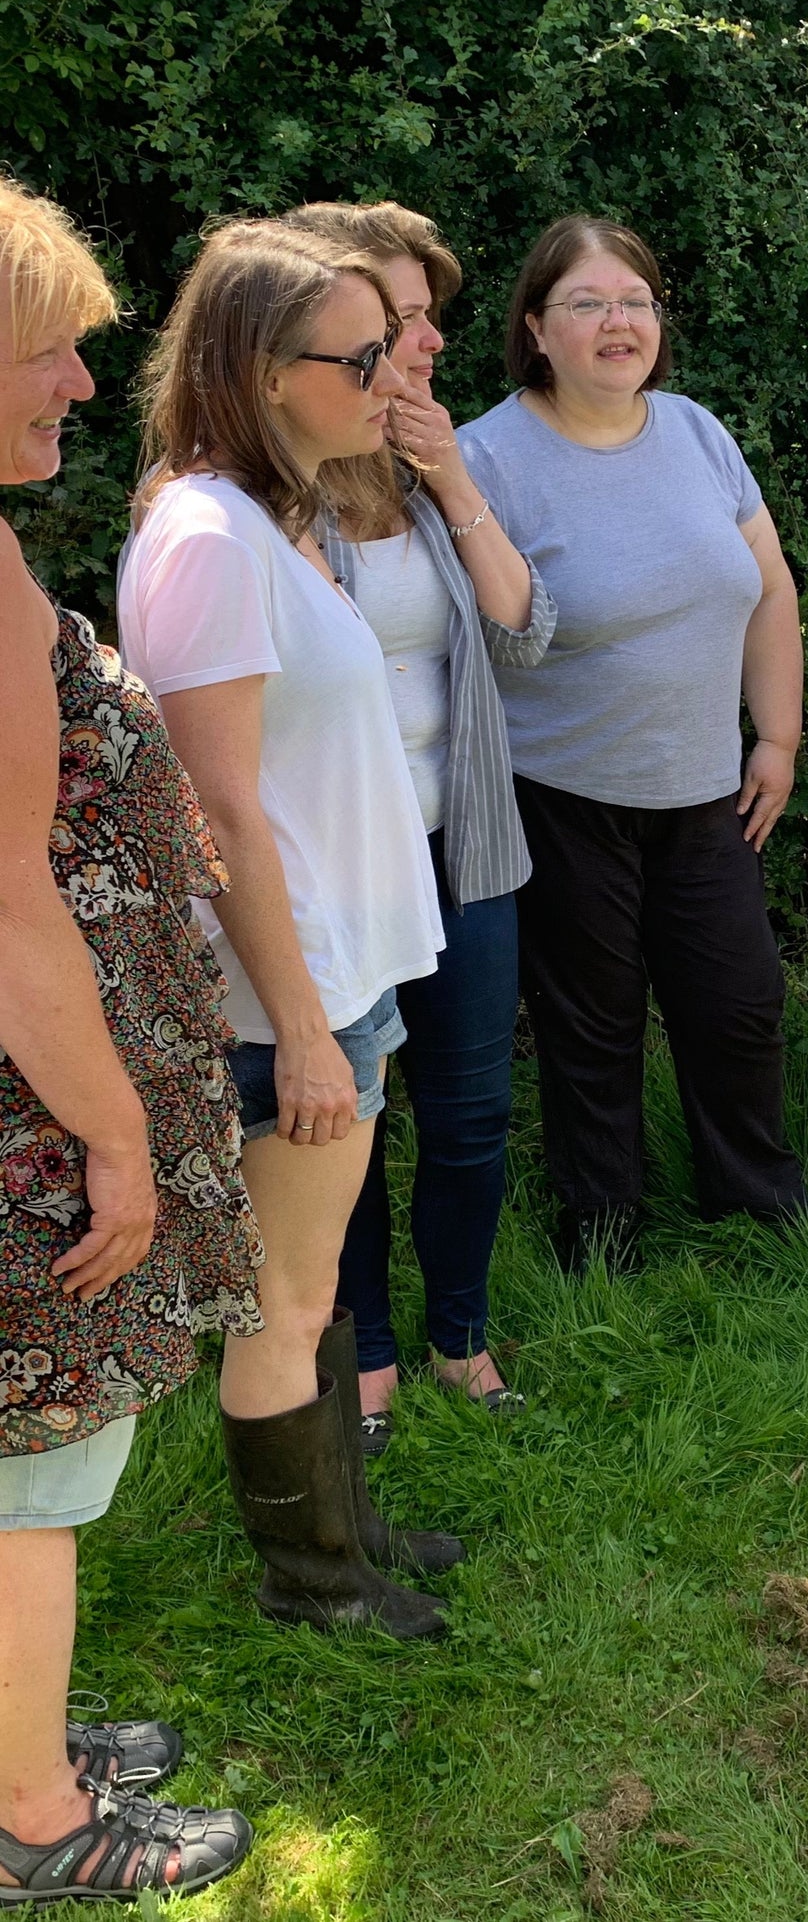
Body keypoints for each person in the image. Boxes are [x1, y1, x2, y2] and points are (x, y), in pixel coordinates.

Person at [117, 220, 461, 1637]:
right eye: (358, 355)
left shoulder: (276, 518)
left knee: (311, 1281)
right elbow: (223, 812)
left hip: (343, 969)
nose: (385, 377)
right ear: (264, 371)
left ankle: (348, 1526)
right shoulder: (204, 534)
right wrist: (306, 1025)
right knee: (286, 1287)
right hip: (285, 994)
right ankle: (313, 1582)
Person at [0, 175, 255, 1905]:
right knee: (33, 1480)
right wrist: (115, 1140)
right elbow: (8, 911)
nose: (85, 387)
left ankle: (19, 1742)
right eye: (48, 351)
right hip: (34, 1114)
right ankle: (38, 1823)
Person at [457, 215, 808, 1271]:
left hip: (705, 790)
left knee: (737, 1003)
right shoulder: (484, 455)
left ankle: (757, 1196)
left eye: (633, 300)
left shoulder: (692, 430)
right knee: (592, 1029)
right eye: (586, 303)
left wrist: (776, 735)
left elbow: (768, 588)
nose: (616, 322)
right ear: (536, 328)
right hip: (562, 791)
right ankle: (603, 1232)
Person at [280, 201, 553, 1455]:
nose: (431, 338)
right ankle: (367, 1353)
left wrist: (448, 477)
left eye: (428, 314)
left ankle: (460, 1333)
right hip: (339, 872)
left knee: (468, 1111)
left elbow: (523, 624)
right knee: (348, 1114)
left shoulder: (435, 466)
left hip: (465, 851)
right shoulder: (264, 485)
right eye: (400, 318)